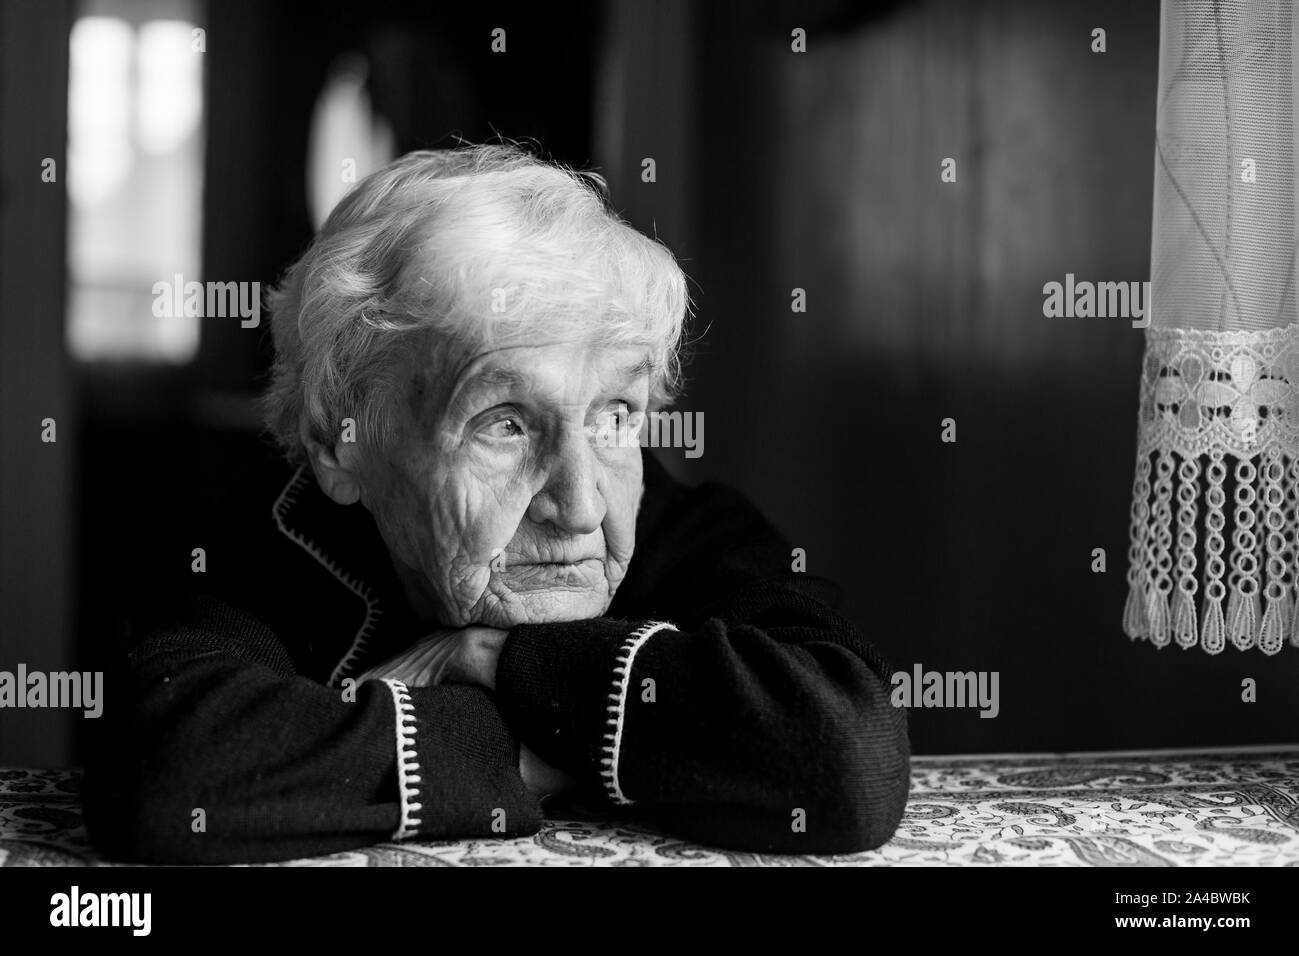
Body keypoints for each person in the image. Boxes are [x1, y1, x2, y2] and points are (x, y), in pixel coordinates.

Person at [84, 144, 910, 863]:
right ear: (344, 445)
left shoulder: (686, 526)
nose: (581, 505)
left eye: (614, 415)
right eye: (505, 424)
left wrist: (501, 663)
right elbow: (166, 777)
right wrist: (511, 747)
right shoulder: (243, 541)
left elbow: (848, 756)